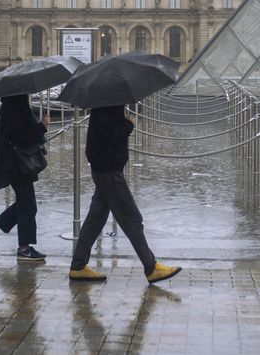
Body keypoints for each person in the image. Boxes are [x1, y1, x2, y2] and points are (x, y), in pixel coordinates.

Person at [68, 105, 181, 284]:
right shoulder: (109, 104)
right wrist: (128, 125)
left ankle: (78, 265)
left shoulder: (106, 101)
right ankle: (151, 267)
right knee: (132, 219)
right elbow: (109, 135)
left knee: (95, 219)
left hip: (104, 168)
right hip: (109, 170)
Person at [0, 95, 49, 261]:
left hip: (16, 162)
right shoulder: (15, 108)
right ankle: (24, 248)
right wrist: (42, 127)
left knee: (26, 203)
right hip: (16, 163)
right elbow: (20, 137)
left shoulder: (13, 106)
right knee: (28, 205)